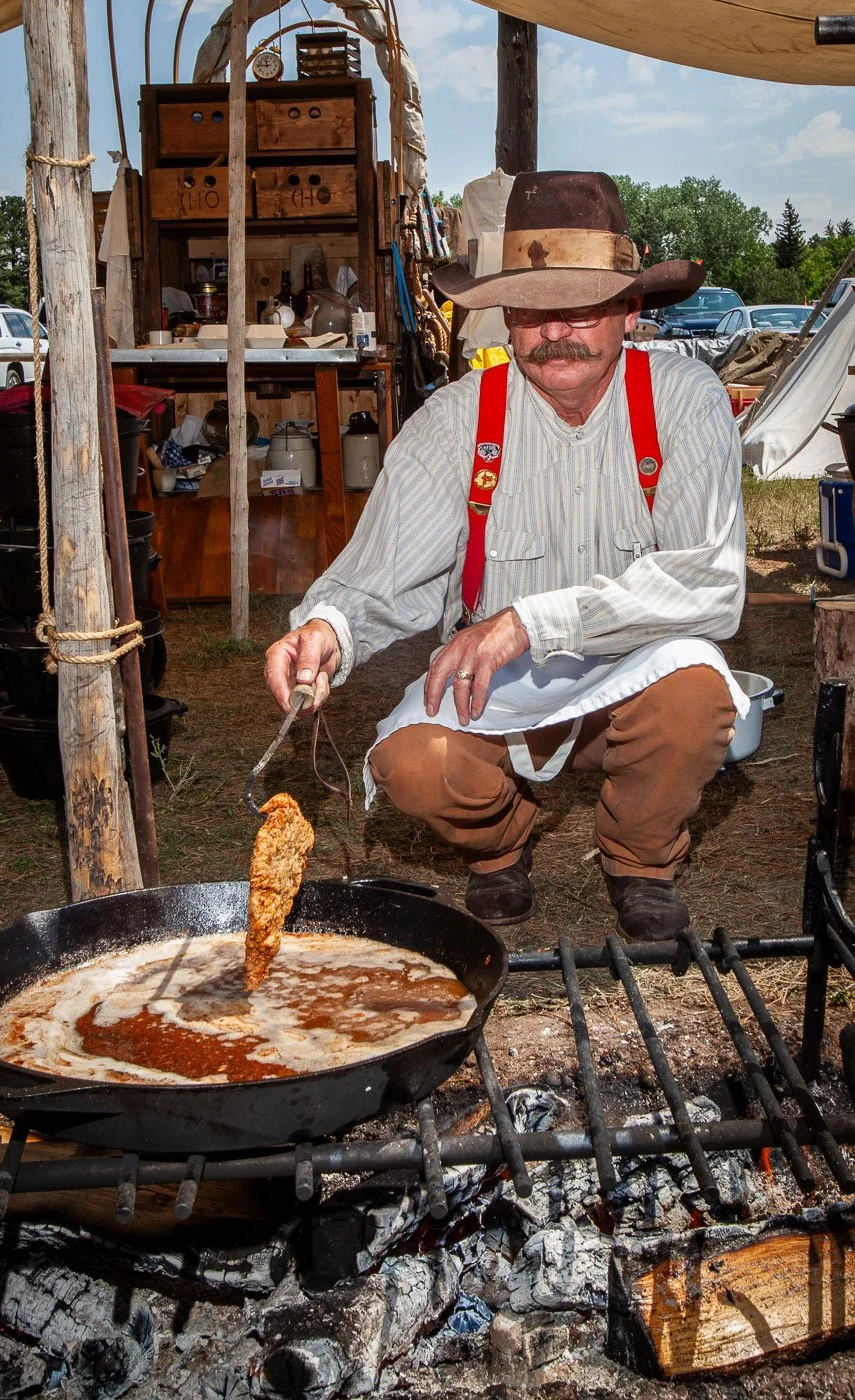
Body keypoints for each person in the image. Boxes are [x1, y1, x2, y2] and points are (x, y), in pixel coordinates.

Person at [264, 171, 748, 939]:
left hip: (638, 674)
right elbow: (384, 571)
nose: (556, 333)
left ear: (627, 311)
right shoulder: (456, 419)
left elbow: (710, 584)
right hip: (497, 689)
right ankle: (499, 846)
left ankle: (639, 858)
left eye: (582, 308)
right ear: (505, 320)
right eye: (532, 311)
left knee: (694, 691)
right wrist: (327, 627)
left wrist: (531, 619)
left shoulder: (683, 399)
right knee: (412, 766)